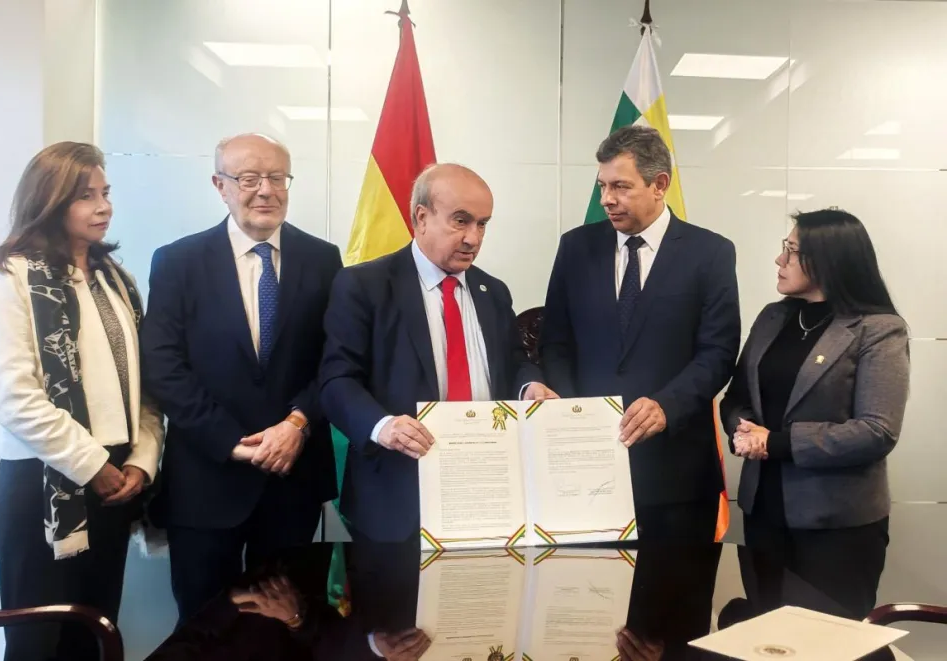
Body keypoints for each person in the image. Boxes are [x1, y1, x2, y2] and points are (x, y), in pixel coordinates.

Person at [140, 133, 342, 622]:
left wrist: (297, 423)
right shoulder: (177, 262)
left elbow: (336, 361)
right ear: (220, 185)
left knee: (291, 627)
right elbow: (164, 366)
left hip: (292, 483)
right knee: (205, 629)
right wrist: (231, 441)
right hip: (206, 483)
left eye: (277, 178)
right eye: (249, 178)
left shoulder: (324, 260)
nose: (266, 190)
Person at [0, 142, 163, 660]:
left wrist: (142, 463)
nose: (104, 206)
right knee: (37, 648)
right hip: (39, 491)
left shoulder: (116, 280)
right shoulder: (8, 276)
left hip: (115, 488)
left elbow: (146, 392)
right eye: (86, 196)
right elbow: (14, 398)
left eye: (105, 193)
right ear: (50, 201)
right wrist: (92, 465)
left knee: (96, 641)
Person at [319, 163, 556, 542]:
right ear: (422, 217)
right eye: (460, 221)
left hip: (486, 496)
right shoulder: (365, 285)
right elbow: (336, 380)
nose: (473, 238)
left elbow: (516, 362)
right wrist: (383, 427)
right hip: (397, 501)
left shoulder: (492, 292)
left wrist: (530, 387)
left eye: (482, 224)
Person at [539, 125, 741, 542]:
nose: (606, 200)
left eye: (620, 187)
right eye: (602, 186)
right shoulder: (576, 248)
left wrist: (667, 405)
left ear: (659, 184)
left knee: (676, 603)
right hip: (587, 475)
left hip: (677, 474)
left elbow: (718, 352)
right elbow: (555, 343)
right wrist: (576, 418)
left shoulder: (711, 253)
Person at [720, 208, 908, 618]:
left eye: (790, 251)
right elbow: (735, 398)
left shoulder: (879, 329)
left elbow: (877, 431)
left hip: (836, 529)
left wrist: (776, 443)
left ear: (828, 260)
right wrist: (740, 430)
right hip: (763, 515)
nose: (779, 260)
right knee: (763, 640)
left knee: (826, 645)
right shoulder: (773, 317)